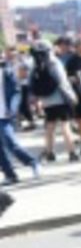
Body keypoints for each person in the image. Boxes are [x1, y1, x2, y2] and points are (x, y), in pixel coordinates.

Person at [29, 41, 81, 163]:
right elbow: (62, 82)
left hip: (46, 100)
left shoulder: (35, 64)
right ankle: (72, 152)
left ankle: (49, 152)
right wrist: (72, 96)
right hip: (60, 98)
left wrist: (37, 99)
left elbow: (31, 83)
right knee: (65, 125)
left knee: (50, 127)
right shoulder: (54, 63)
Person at [1, 53, 41, 184]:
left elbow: (16, 92)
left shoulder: (5, 73)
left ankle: (32, 162)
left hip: (4, 115)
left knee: (10, 143)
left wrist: (12, 109)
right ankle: (10, 174)